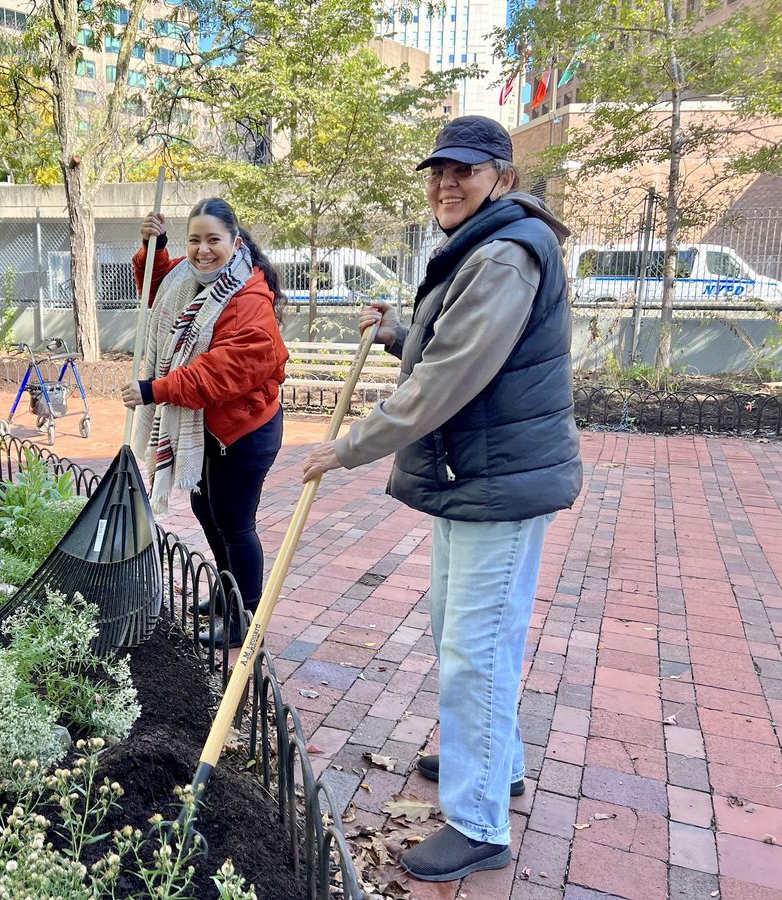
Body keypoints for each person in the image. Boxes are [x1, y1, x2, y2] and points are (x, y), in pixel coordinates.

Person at [302, 116, 583, 882]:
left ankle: (481, 820)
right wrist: (397, 334)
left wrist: (351, 446)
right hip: (478, 476)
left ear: (502, 177)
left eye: (464, 169)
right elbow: (456, 345)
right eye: (437, 171)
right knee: (463, 633)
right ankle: (496, 762)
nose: (446, 183)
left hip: (497, 478)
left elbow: (451, 375)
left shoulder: (504, 254)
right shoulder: (486, 248)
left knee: (475, 648)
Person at [120, 198, 289, 649]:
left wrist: (155, 390)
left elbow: (223, 371)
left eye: (213, 239)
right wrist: (152, 248)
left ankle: (244, 616)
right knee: (205, 509)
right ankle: (226, 593)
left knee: (234, 522)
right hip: (208, 427)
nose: (202, 249)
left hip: (244, 430)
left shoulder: (248, 298)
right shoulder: (193, 280)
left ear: (235, 242)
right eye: (194, 239)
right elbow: (156, 296)